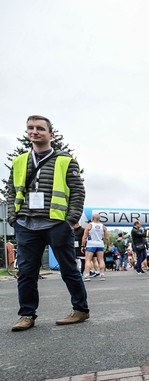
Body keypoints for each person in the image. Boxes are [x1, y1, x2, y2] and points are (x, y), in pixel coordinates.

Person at [5, 116, 90, 330]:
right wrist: (12, 218)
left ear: (50, 134)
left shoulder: (65, 160)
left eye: (40, 128)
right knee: (26, 272)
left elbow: (78, 192)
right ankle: (26, 315)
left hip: (56, 223)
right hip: (25, 224)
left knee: (68, 268)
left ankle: (80, 310)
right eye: (30, 128)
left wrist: (70, 221)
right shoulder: (19, 161)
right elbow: (10, 191)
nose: (34, 131)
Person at [81, 213, 109, 281]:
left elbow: (85, 237)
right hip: (100, 244)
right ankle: (102, 274)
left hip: (91, 244)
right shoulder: (103, 226)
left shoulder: (89, 225)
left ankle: (87, 275)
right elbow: (107, 238)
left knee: (88, 260)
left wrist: (82, 245)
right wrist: (107, 246)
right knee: (101, 260)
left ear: (92, 218)